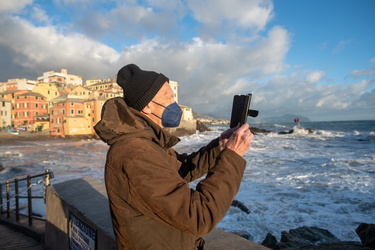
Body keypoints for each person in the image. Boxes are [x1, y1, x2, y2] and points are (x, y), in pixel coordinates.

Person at [94, 64, 254, 250]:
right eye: (169, 98)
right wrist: (232, 156)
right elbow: (199, 217)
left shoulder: (146, 142)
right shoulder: (136, 154)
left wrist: (219, 147)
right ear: (147, 106)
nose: (174, 104)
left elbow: (181, 170)